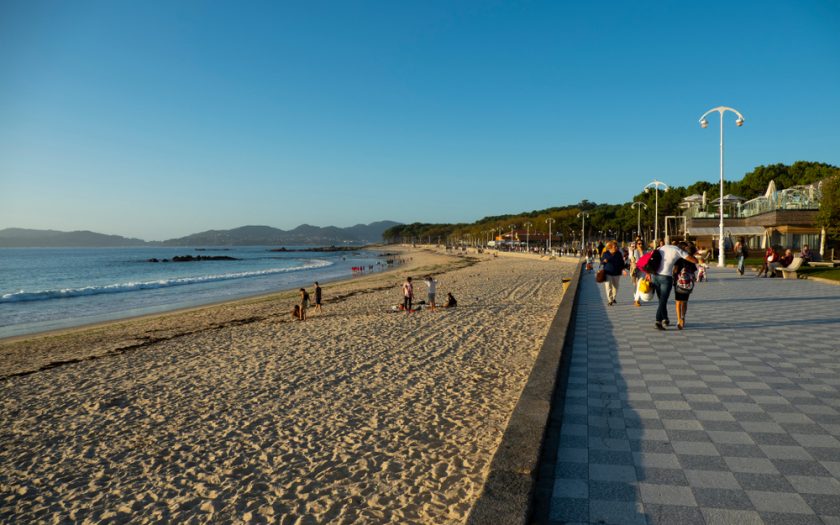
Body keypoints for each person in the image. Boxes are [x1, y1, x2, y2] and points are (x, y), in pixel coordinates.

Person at [650, 243, 699, 330]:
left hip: (654, 276)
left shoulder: (662, 247)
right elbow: (695, 261)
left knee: (661, 300)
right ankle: (658, 321)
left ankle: (665, 319)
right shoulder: (678, 250)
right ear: (683, 248)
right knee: (663, 300)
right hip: (665, 278)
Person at [673, 242, 698, 330]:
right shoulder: (690, 259)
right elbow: (694, 271)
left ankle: (679, 320)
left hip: (678, 282)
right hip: (687, 283)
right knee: (684, 302)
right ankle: (683, 318)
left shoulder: (678, 259)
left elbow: (675, 271)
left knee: (678, 302)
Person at [600, 241, 625, 306]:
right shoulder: (606, 253)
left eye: (617, 246)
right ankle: (610, 300)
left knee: (615, 287)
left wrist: (623, 269)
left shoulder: (618, 254)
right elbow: (601, 261)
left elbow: (622, 262)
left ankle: (613, 298)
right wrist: (604, 261)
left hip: (616, 272)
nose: (616, 247)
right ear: (610, 246)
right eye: (615, 246)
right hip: (607, 272)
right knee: (608, 286)